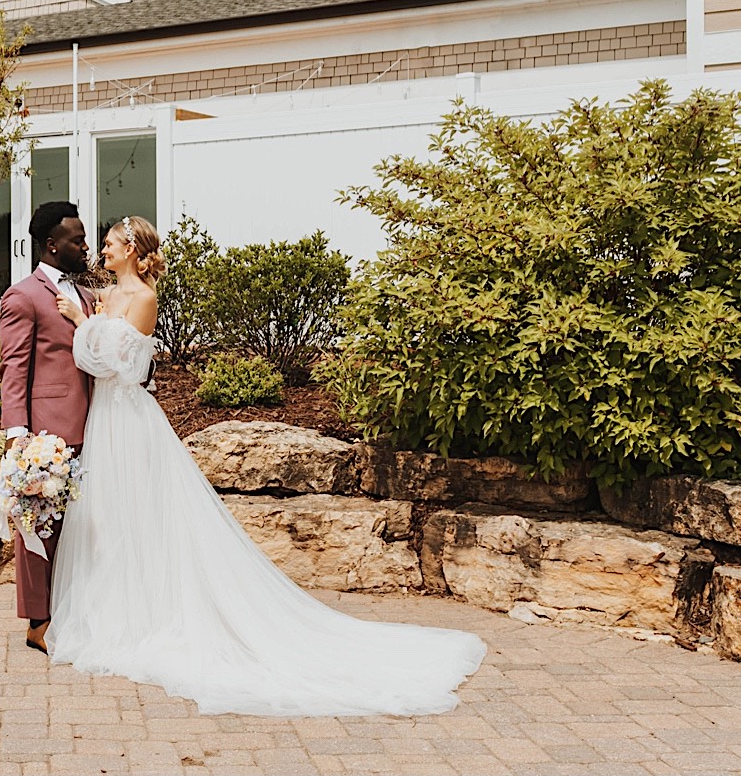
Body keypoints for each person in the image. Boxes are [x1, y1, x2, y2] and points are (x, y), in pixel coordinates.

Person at [45, 215, 487, 717]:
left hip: (129, 416)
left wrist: (84, 326)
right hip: (106, 418)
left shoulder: (142, 299)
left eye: (109, 244)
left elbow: (120, 367)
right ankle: (118, 613)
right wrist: (94, 321)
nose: (101, 251)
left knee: (144, 515)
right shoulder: (107, 297)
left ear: (133, 249)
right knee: (115, 517)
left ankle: (153, 618)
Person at [0, 201, 96, 655]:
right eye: (77, 239)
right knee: (38, 527)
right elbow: (14, 369)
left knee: (79, 529)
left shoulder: (88, 295)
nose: (85, 245)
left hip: (94, 424)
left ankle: (74, 611)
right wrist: (19, 435)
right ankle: (38, 622)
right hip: (48, 433)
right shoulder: (24, 296)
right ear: (53, 245)